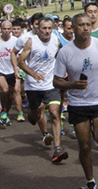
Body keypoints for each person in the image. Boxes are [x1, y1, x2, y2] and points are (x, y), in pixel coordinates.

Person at [53, 13, 98, 189]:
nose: (85, 28)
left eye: (88, 25)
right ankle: (90, 181)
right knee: (84, 147)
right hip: (78, 103)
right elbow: (56, 81)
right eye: (81, 25)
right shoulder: (65, 52)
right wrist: (71, 85)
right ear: (73, 28)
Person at [18, 17, 68, 164]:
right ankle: (35, 118)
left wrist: (63, 70)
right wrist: (33, 74)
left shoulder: (56, 40)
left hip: (50, 84)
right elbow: (20, 61)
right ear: (37, 29)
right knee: (35, 115)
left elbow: (61, 55)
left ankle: (57, 148)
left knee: (54, 112)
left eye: (49, 28)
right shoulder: (31, 42)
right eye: (44, 28)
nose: (47, 31)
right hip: (33, 85)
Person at [0, 20, 24, 125]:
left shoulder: (16, 40)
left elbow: (22, 54)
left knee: (11, 94)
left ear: (11, 30)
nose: (6, 31)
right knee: (5, 89)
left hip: (12, 70)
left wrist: (19, 67)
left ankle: (5, 112)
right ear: (1, 30)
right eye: (4, 29)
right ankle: (3, 112)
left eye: (8, 29)